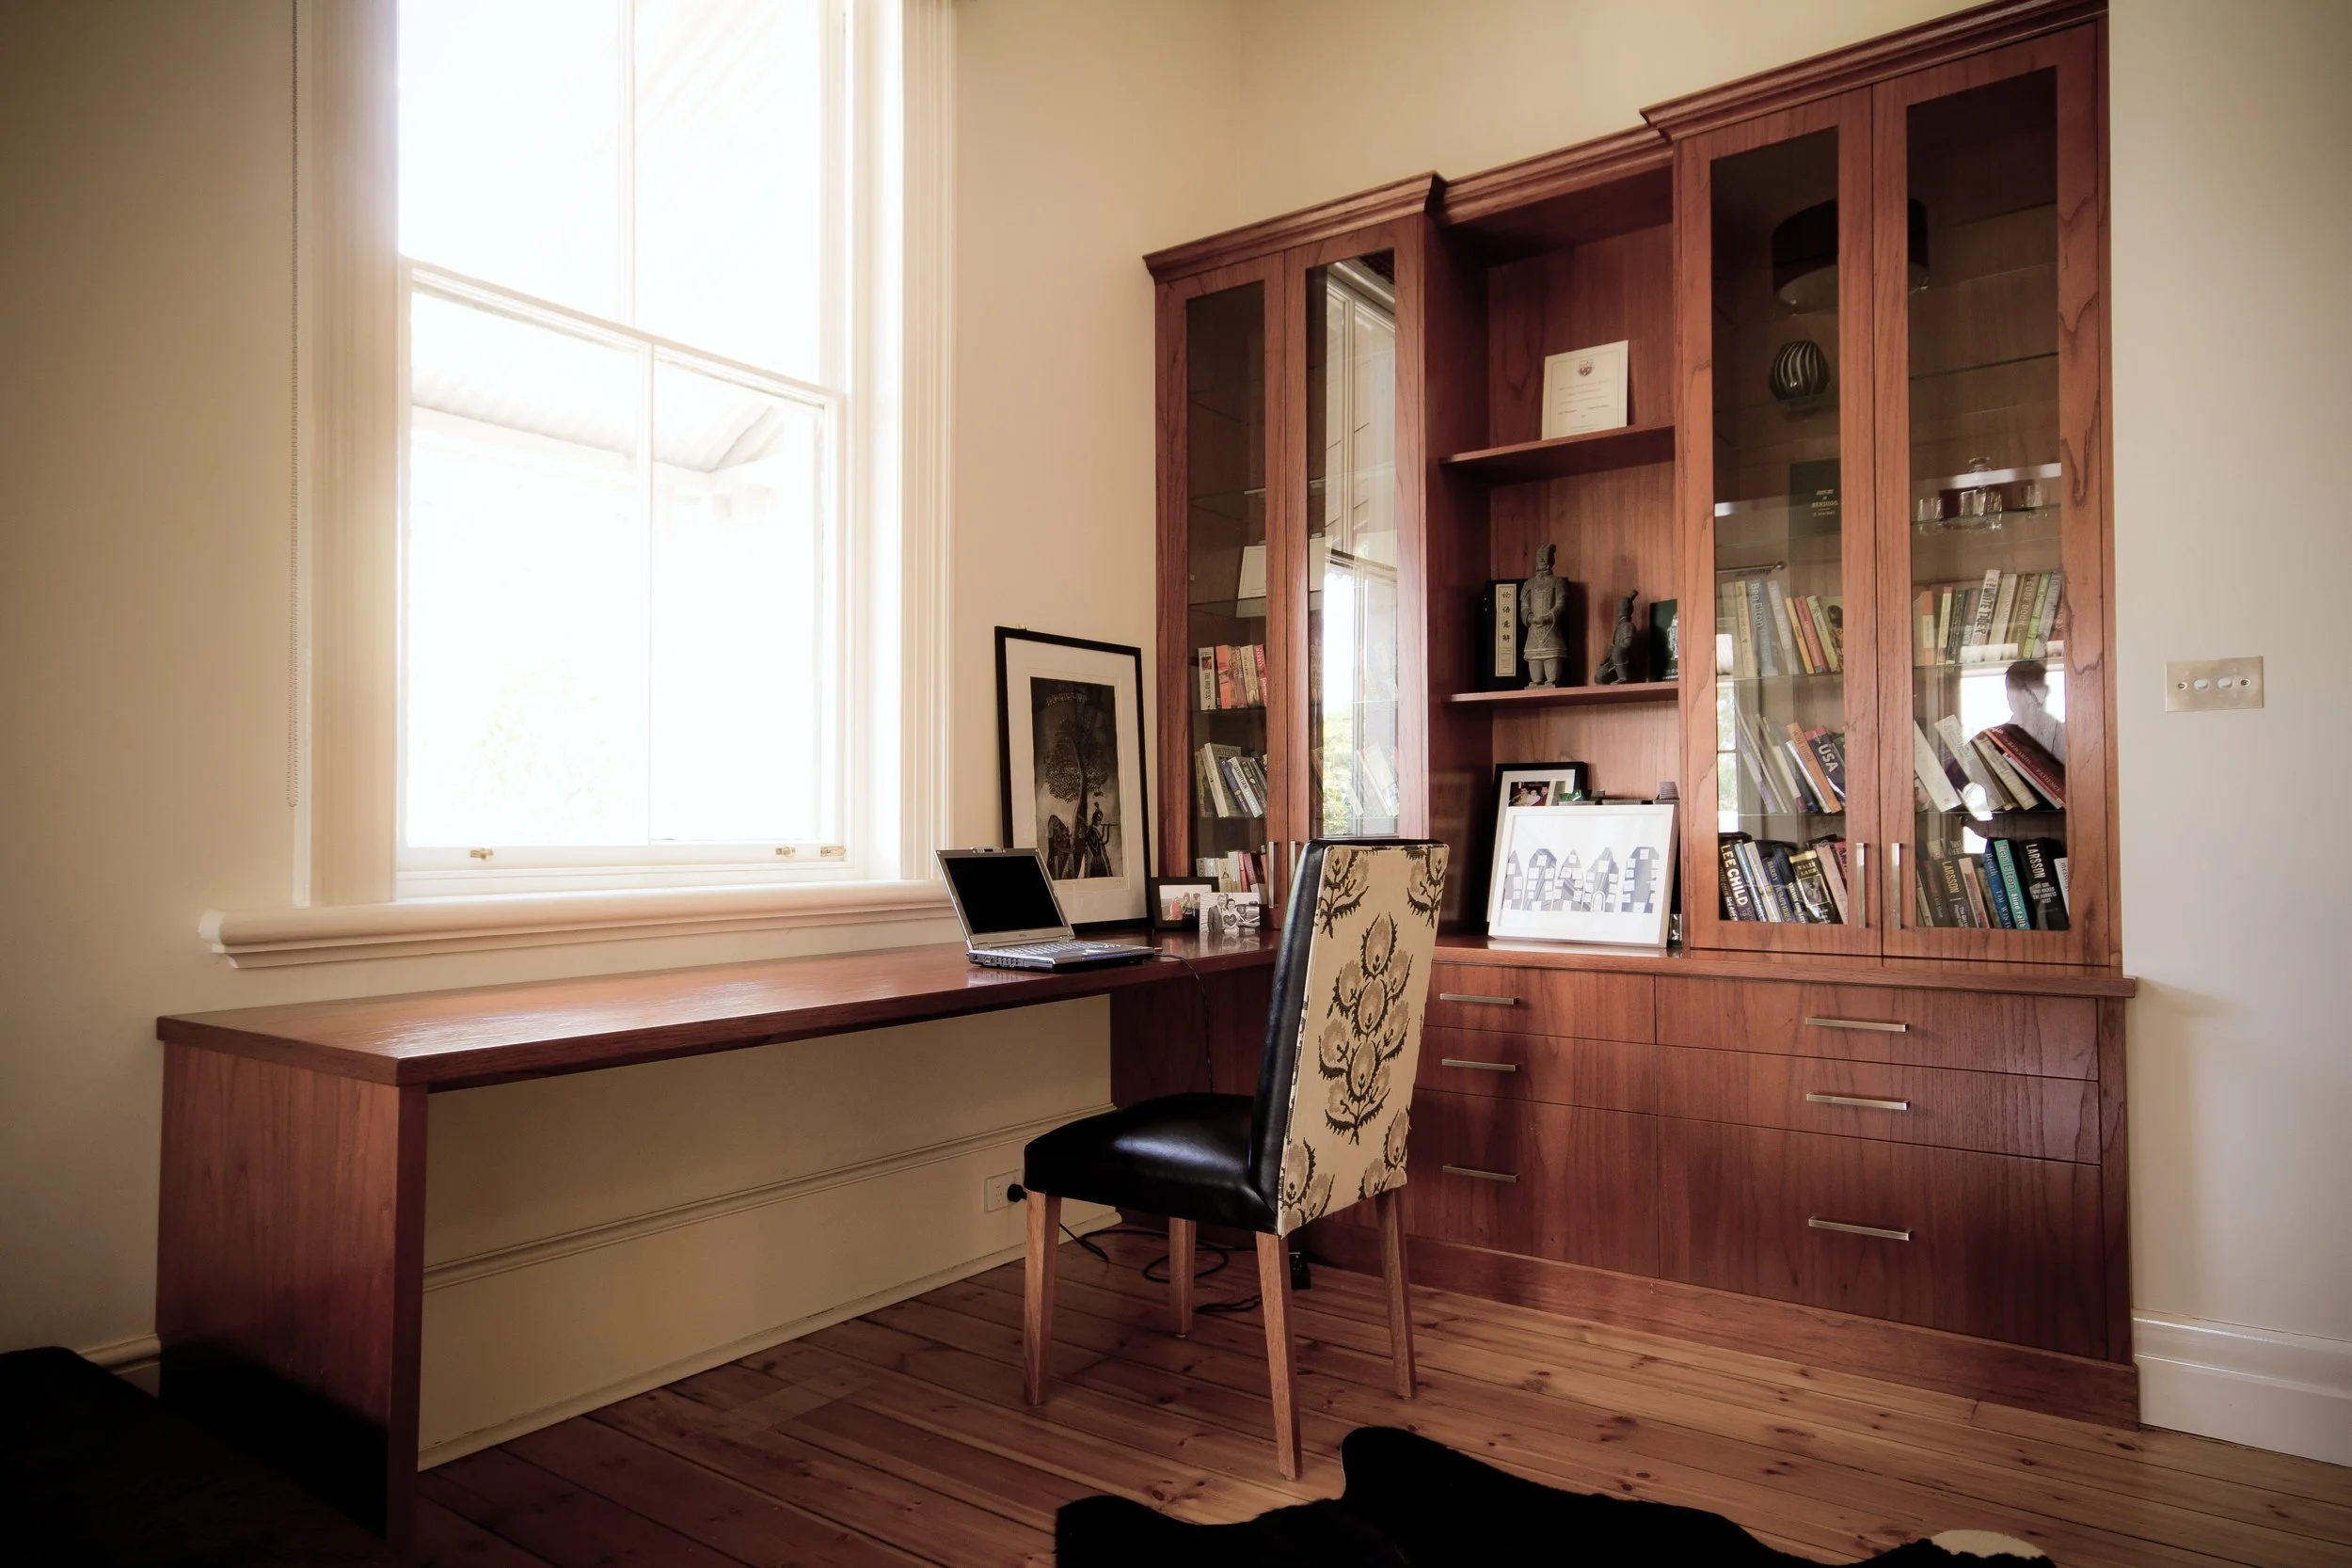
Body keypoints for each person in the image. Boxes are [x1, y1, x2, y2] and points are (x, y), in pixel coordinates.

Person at [2005, 659, 2064, 763]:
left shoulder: (2065, 735)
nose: (2014, 698)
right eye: (2011, 691)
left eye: (2025, 692)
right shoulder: (2000, 736)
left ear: (2045, 692)